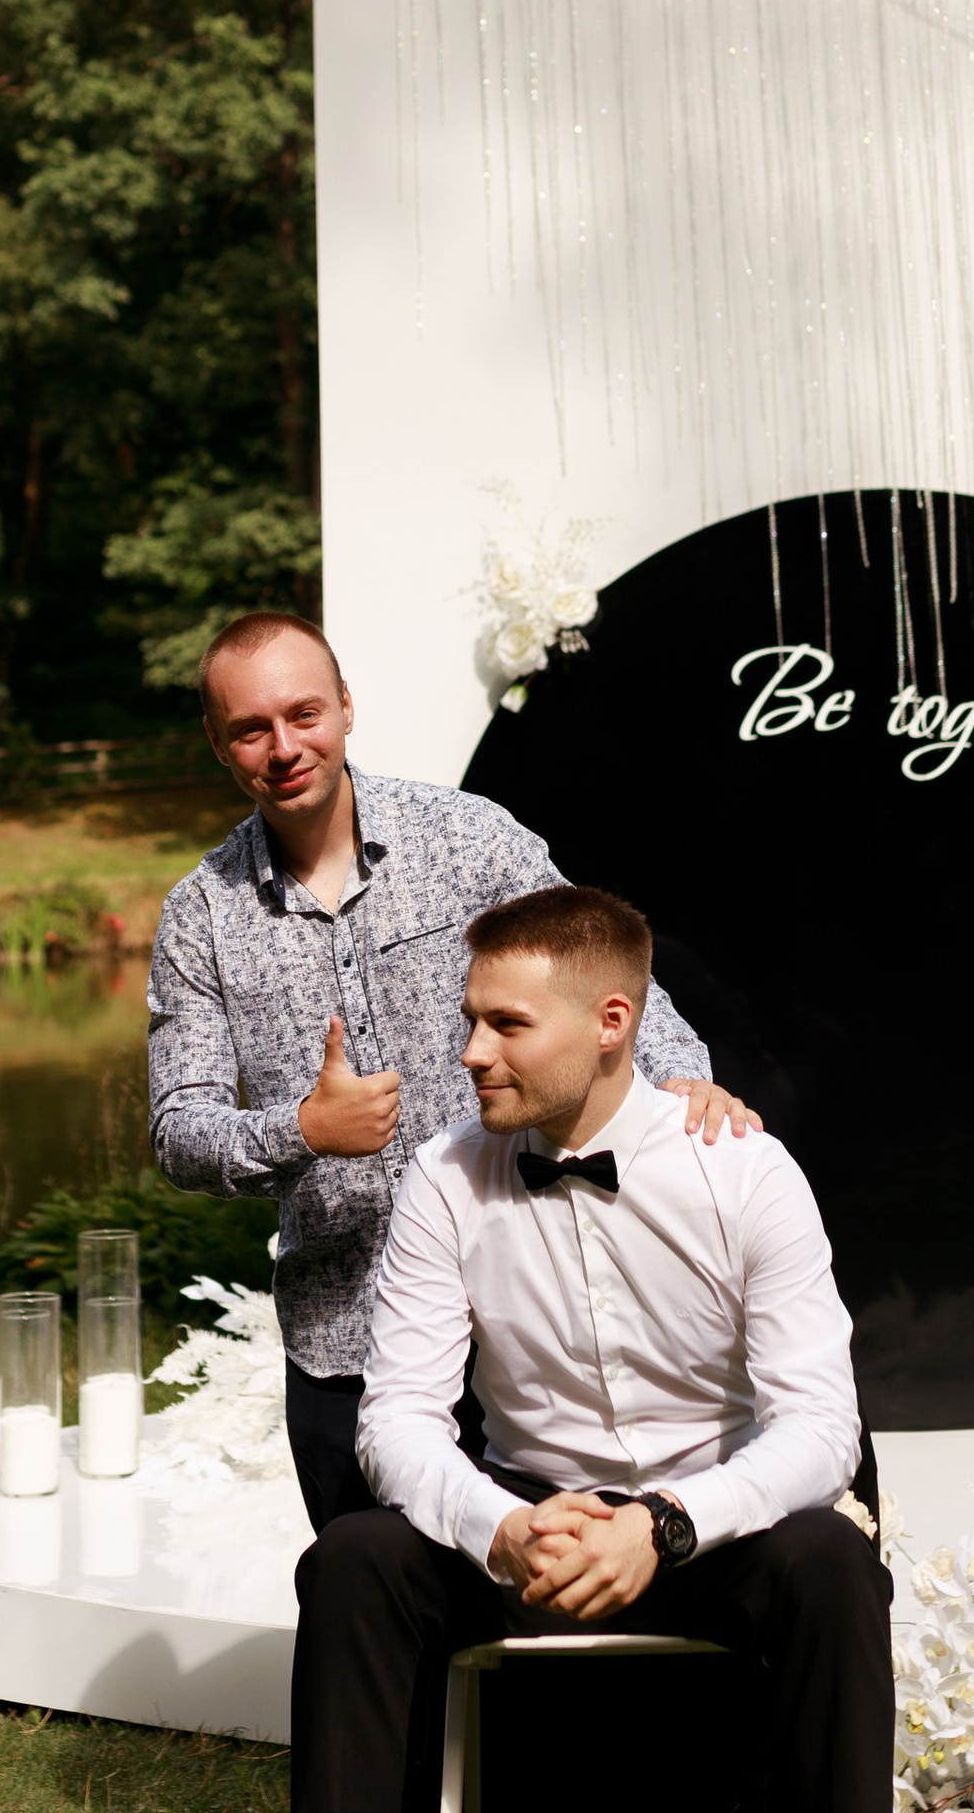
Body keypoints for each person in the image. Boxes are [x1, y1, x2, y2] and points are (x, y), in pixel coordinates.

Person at [250, 882, 917, 1813]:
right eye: (468, 1020)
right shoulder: (447, 1180)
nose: (469, 1052)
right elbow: (395, 1422)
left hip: (711, 1529)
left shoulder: (746, 1173)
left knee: (835, 1561)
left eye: (505, 1024)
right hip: (534, 1528)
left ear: (614, 1024)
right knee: (356, 1563)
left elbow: (819, 1430)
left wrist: (669, 1526)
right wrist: (499, 1530)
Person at [147, 611, 760, 1534]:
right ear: (219, 743)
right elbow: (177, 1130)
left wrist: (683, 1083)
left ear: (346, 706)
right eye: (251, 728)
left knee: (552, 1619)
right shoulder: (200, 915)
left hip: (530, 1323)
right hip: (345, 1340)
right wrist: (301, 1131)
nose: (284, 747)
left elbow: (603, 975)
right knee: (381, 1608)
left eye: (304, 713)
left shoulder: (468, 839)